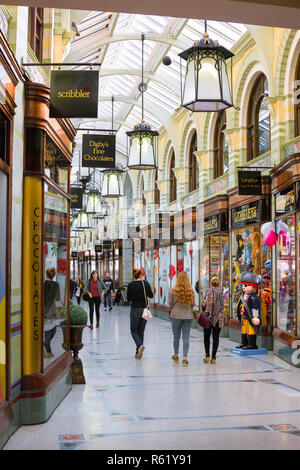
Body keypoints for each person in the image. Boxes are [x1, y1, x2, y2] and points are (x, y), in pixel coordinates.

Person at [168, 271, 195, 367]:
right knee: (186, 337)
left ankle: (176, 354)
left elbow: (170, 304)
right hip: (188, 316)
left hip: (175, 316)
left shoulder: (172, 290)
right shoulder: (191, 290)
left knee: (176, 336)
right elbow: (192, 305)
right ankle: (185, 358)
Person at [127, 268, 153, 359]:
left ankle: (139, 345)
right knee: (141, 330)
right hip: (144, 309)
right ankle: (138, 351)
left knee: (133, 330)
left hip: (135, 309)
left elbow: (128, 299)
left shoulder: (130, 285)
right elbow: (151, 295)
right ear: (141, 275)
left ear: (134, 275)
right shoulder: (145, 283)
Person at [202, 276, 224, 364]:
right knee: (216, 337)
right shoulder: (221, 293)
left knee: (206, 337)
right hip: (218, 318)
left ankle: (207, 355)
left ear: (210, 284)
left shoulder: (207, 291)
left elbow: (203, 304)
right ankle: (214, 357)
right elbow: (222, 305)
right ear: (218, 284)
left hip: (207, 317)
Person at [44, 267, 63, 358]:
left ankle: (46, 347)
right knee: (52, 330)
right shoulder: (56, 285)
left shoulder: (42, 284)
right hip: (51, 310)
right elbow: (57, 298)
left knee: (47, 330)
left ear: (46, 274)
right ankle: (47, 348)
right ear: (54, 275)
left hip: (43, 310)